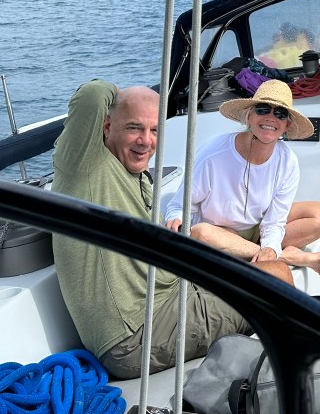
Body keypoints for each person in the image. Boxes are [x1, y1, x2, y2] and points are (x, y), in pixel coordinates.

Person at [52, 80, 270, 379]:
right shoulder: (87, 164)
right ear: (106, 127)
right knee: (275, 277)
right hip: (136, 337)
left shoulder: (135, 174)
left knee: (255, 263)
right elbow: (92, 94)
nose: (146, 141)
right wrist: (123, 97)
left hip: (168, 297)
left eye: (154, 130)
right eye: (134, 127)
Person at [165, 80, 320, 276]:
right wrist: (175, 218)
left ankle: (259, 252)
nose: (271, 118)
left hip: (259, 226)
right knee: (201, 233)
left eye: (280, 114)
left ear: (287, 125)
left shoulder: (287, 161)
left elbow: (274, 221)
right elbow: (178, 206)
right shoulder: (213, 155)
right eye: (262, 109)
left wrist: (271, 246)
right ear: (249, 116)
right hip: (221, 232)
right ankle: (289, 256)